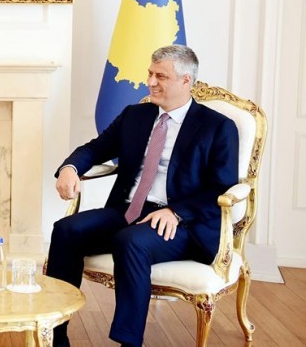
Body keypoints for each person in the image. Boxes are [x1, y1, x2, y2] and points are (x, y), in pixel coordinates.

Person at [45, 45, 239, 347]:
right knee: (66, 230)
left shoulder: (218, 127)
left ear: (186, 81)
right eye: (150, 73)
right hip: (129, 210)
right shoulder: (135, 115)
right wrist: (70, 168)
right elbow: (95, 149)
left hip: (182, 224)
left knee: (131, 241)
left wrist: (176, 212)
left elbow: (221, 187)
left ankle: (129, 342)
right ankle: (56, 335)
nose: (150, 82)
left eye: (161, 76)